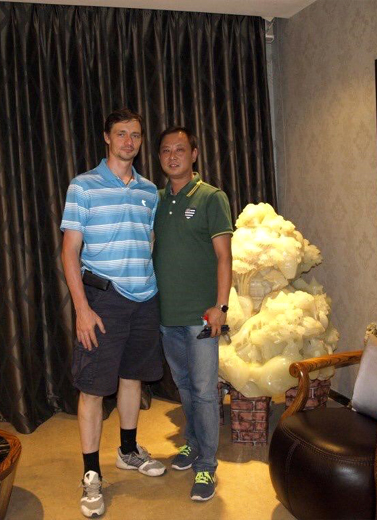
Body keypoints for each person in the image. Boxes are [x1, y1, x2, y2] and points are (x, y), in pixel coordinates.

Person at [60, 109, 165, 518]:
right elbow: (70, 252)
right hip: (103, 300)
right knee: (92, 388)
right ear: (107, 137)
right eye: (121, 134)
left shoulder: (149, 190)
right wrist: (82, 308)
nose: (128, 142)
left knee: (132, 377)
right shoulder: (83, 186)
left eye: (135, 135)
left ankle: (128, 450)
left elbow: (149, 240)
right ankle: (91, 474)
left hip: (144, 298)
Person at [153, 126, 233, 502]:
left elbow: (224, 257)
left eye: (180, 150)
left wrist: (221, 307)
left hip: (201, 317)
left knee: (203, 391)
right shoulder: (155, 200)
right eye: (166, 151)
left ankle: (207, 466)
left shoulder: (211, 198)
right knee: (184, 387)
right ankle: (194, 441)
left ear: (194, 154)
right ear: (159, 157)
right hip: (167, 315)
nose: (173, 156)